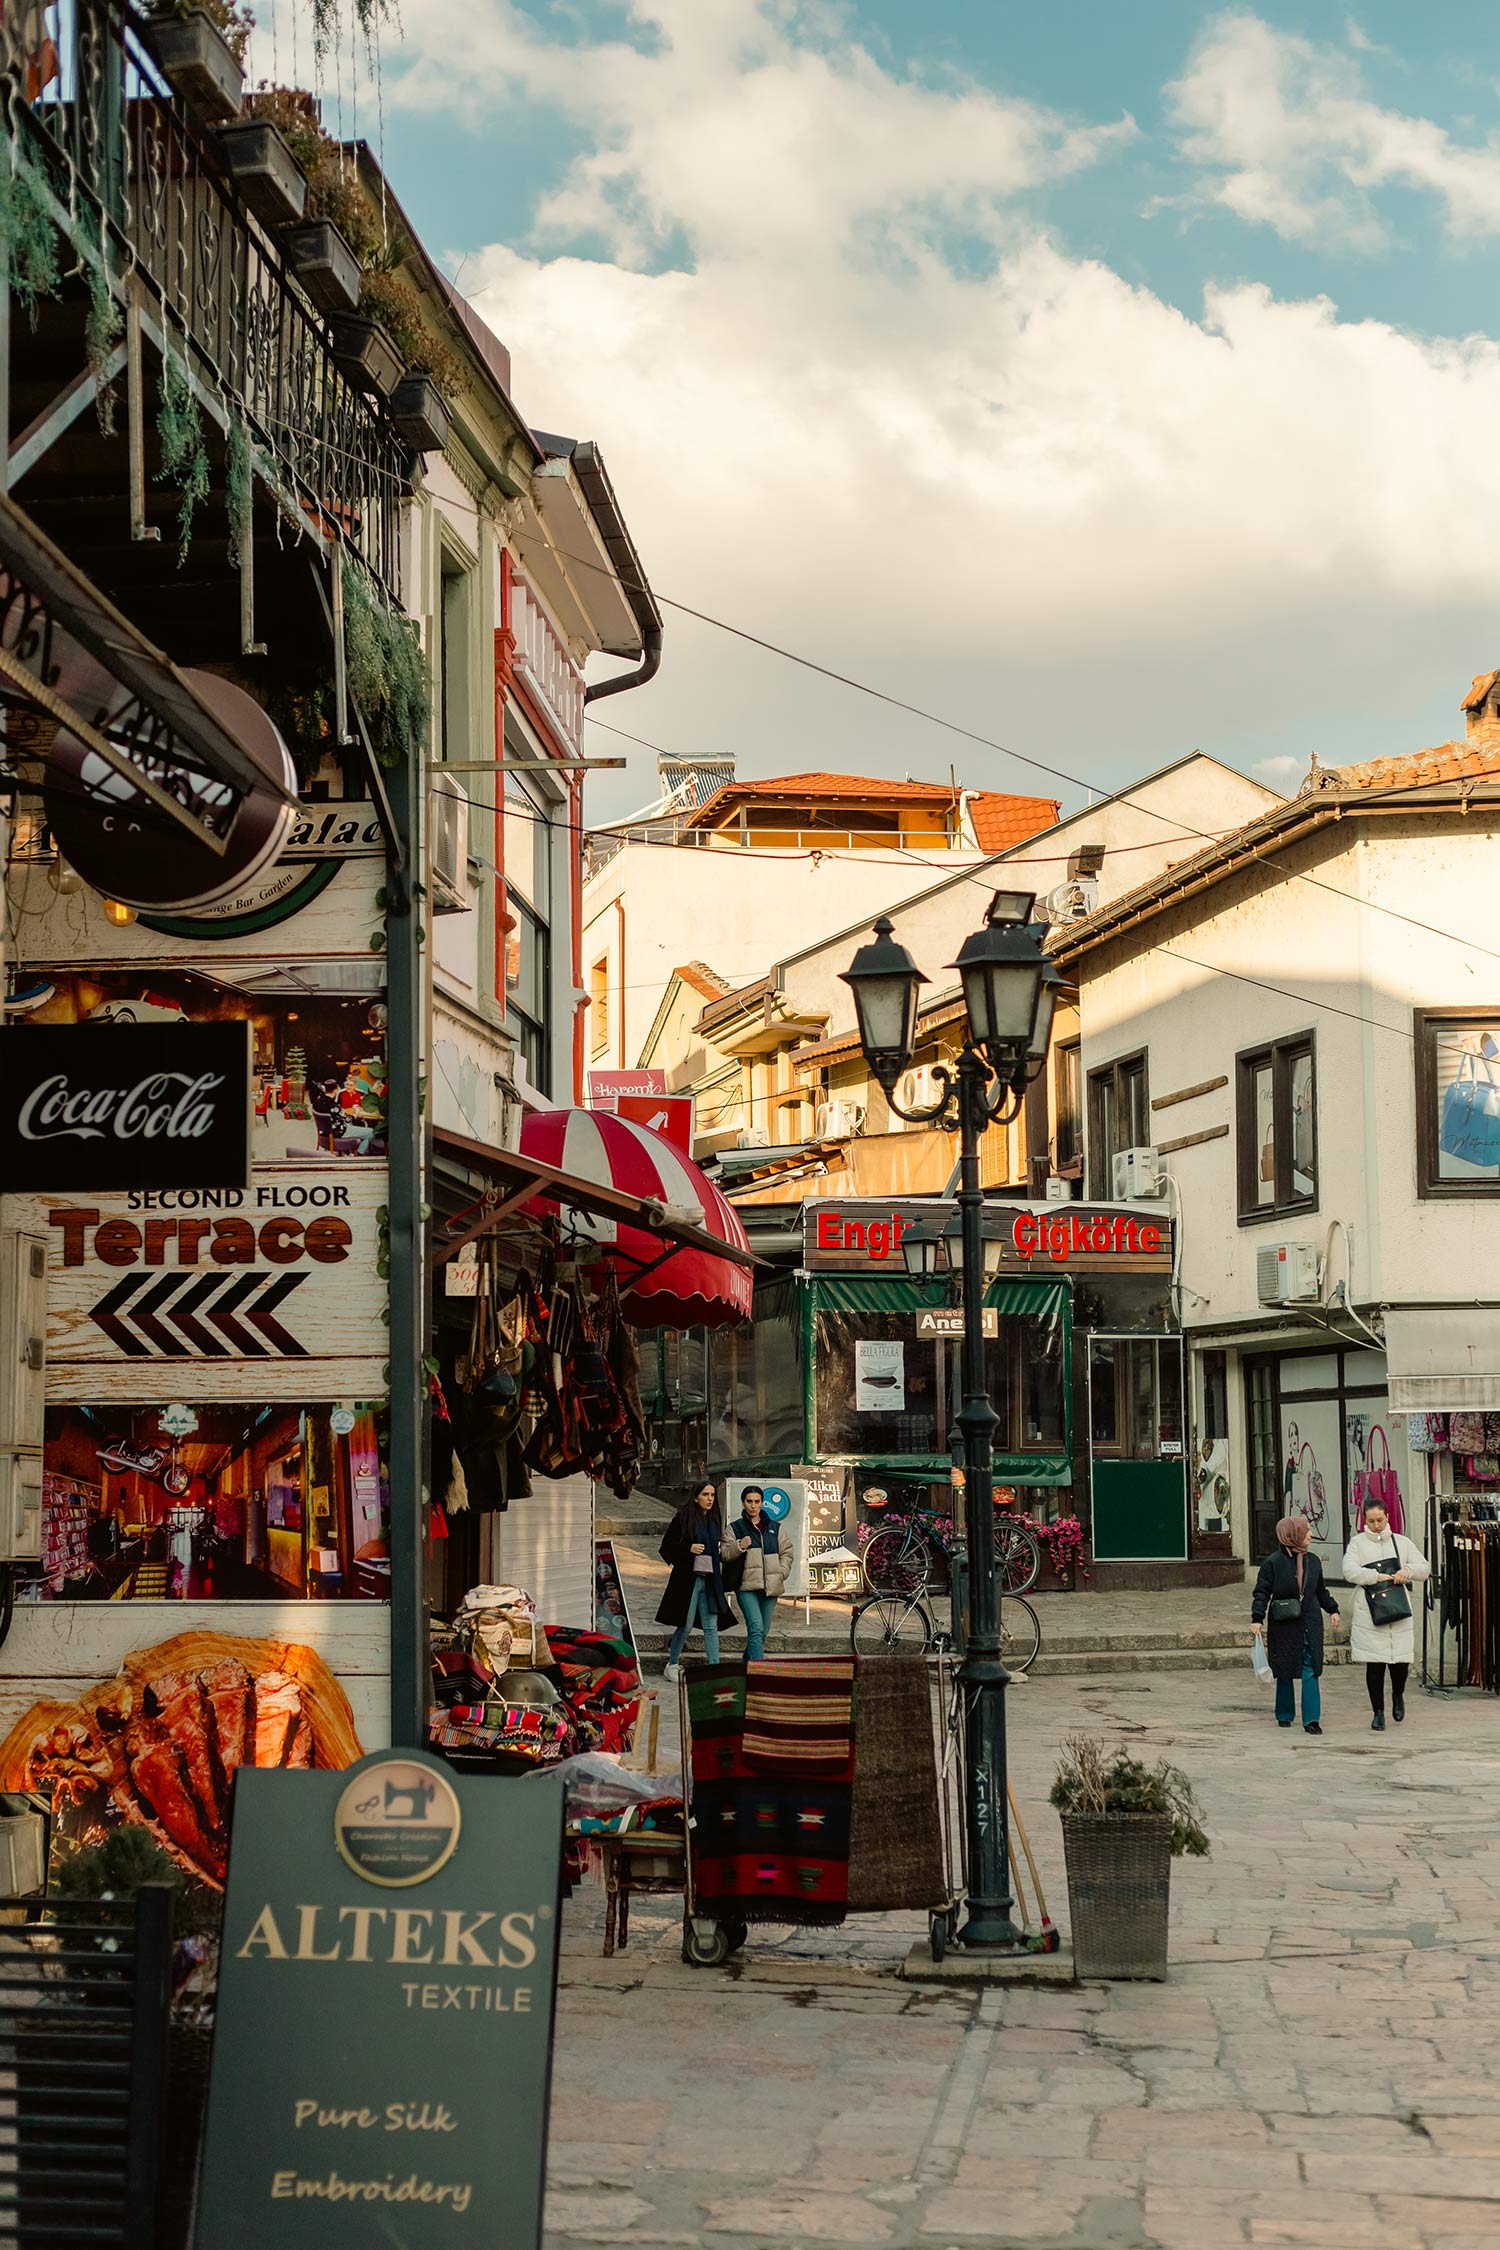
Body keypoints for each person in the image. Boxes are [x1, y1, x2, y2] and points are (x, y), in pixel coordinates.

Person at [1342, 1503, 1430, 1730]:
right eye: (1371, 1521)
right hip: (1370, 1610)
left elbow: (1424, 1568)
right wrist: (1374, 1576)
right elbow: (1349, 1570)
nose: (1376, 1525)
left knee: (1400, 1663)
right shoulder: (1357, 1543)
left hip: (1397, 1607)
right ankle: (1378, 1711)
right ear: (1365, 1520)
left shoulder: (1401, 1542)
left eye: (1379, 1520)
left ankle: (1398, 1695)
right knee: (1375, 1665)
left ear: (1387, 1517)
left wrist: (1406, 1571)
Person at [1252, 1514, 1340, 1734]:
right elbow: (1262, 1592)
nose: (1310, 1534)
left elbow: (1320, 1590)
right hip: (1284, 1623)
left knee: (1311, 1669)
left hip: (1310, 1622)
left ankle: (1312, 1720)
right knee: (1284, 1668)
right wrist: (1257, 1618)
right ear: (1292, 1535)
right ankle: (1284, 1713)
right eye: (1306, 1530)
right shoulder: (1272, 1563)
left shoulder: (1313, 1562)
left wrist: (1333, 1609)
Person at [658, 1480, 738, 1684]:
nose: (710, 1499)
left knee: (711, 1626)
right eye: (705, 1495)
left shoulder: (713, 1520)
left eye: (712, 1495)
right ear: (696, 1497)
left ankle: (714, 1667)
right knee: (685, 1624)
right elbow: (666, 1547)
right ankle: (672, 1663)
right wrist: (688, 1548)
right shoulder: (683, 1518)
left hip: (710, 1580)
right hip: (688, 1579)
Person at [730, 1485, 793, 1662]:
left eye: (757, 1501)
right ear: (743, 1502)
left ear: (762, 1503)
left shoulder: (775, 1527)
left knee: (762, 1631)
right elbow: (725, 1554)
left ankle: (746, 1665)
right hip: (746, 1587)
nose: (753, 1505)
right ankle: (758, 1672)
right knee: (756, 1627)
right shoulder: (735, 1528)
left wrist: (781, 1573)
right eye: (749, 1501)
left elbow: (787, 1552)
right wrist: (739, 1546)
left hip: (771, 1587)